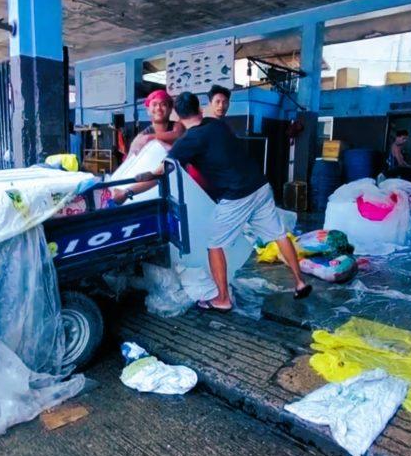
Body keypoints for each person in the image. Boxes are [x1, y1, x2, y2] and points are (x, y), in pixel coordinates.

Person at [130, 92, 312, 310]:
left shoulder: (188, 141)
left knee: (214, 244)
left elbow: (159, 174)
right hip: (260, 186)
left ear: (177, 115)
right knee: (279, 233)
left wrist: (127, 191)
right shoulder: (216, 125)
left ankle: (222, 299)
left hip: (237, 194)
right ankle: (300, 282)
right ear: (199, 110)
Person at [127, 90, 185, 158]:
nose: (158, 108)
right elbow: (129, 161)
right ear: (148, 111)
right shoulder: (141, 138)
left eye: (163, 104)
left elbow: (177, 134)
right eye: (154, 104)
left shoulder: (177, 126)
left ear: (170, 109)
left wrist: (150, 138)